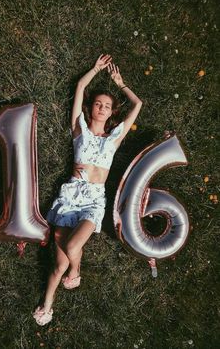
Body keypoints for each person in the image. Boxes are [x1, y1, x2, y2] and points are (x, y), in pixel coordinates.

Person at [33, 54, 143, 326]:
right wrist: (95, 69)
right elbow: (80, 89)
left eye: (107, 105)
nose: (102, 107)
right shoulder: (78, 129)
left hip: (93, 200)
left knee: (72, 245)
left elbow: (137, 104)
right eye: (98, 104)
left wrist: (121, 84)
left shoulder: (115, 137)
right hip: (70, 197)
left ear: (111, 112)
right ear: (91, 108)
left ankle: (76, 269)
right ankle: (48, 304)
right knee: (58, 266)